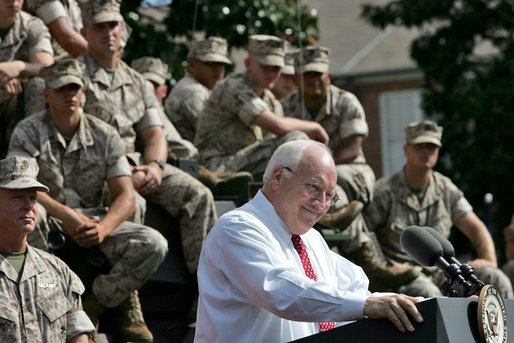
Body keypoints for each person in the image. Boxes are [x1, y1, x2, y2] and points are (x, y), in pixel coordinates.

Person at [195, 139, 424, 342]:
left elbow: (351, 290)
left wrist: (414, 305)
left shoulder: (311, 239)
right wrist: (365, 305)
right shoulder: (237, 228)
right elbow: (282, 291)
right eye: (315, 188)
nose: (322, 204)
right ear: (277, 177)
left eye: (330, 196)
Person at [8, 58, 169, 342]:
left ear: (83, 93)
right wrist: (67, 216)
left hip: (95, 221)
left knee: (153, 244)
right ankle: (43, 301)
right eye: (61, 89)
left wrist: (105, 227)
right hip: (53, 219)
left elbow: (126, 195)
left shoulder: (104, 134)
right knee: (33, 212)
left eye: (74, 88)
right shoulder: (28, 131)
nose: (69, 94)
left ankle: (97, 305)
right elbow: (21, 187)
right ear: (46, 94)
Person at [79, 0, 217, 279]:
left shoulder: (138, 81)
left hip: (139, 166)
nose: (109, 32)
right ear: (85, 32)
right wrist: (123, 173)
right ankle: (126, 305)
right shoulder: (74, 79)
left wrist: (155, 166)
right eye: (100, 26)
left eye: (113, 25)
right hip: (94, 171)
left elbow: (155, 133)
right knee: (134, 203)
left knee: (199, 195)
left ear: (122, 29)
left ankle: (205, 289)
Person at [362, 120, 513, 298]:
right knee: (430, 295)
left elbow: (476, 228)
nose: (426, 151)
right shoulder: (383, 192)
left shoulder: (445, 189)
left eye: (431, 147)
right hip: (402, 277)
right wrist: (382, 268)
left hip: (440, 273)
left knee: (496, 278)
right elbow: (363, 235)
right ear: (406, 150)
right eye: (419, 146)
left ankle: (506, 326)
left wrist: (489, 261)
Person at [195, 34, 329, 180]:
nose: (271, 74)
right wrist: (314, 126)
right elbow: (279, 126)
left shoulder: (270, 101)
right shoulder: (234, 87)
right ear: (248, 64)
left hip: (243, 165)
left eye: (276, 68)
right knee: (295, 140)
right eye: (265, 67)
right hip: (213, 167)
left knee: (295, 149)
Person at [0, 155, 95, 342]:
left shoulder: (58, 271)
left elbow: (77, 333)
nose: (28, 205)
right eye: (17, 197)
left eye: (33, 198)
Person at [131, 56, 254, 200]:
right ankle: (209, 179)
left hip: (184, 161)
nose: (149, 90)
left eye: (154, 85)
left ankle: (210, 178)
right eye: (146, 85)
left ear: (164, 90)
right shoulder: (189, 90)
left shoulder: (157, 109)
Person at [0, 0, 54, 158]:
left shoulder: (31, 25)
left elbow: (47, 67)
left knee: (40, 85)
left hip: (17, 99)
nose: (13, 1)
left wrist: (18, 67)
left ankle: (27, 153)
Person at [164, 36, 232, 143]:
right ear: (191, 65)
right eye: (210, 64)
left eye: (221, 64)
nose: (218, 70)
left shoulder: (200, 87)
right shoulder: (193, 91)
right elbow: (218, 135)